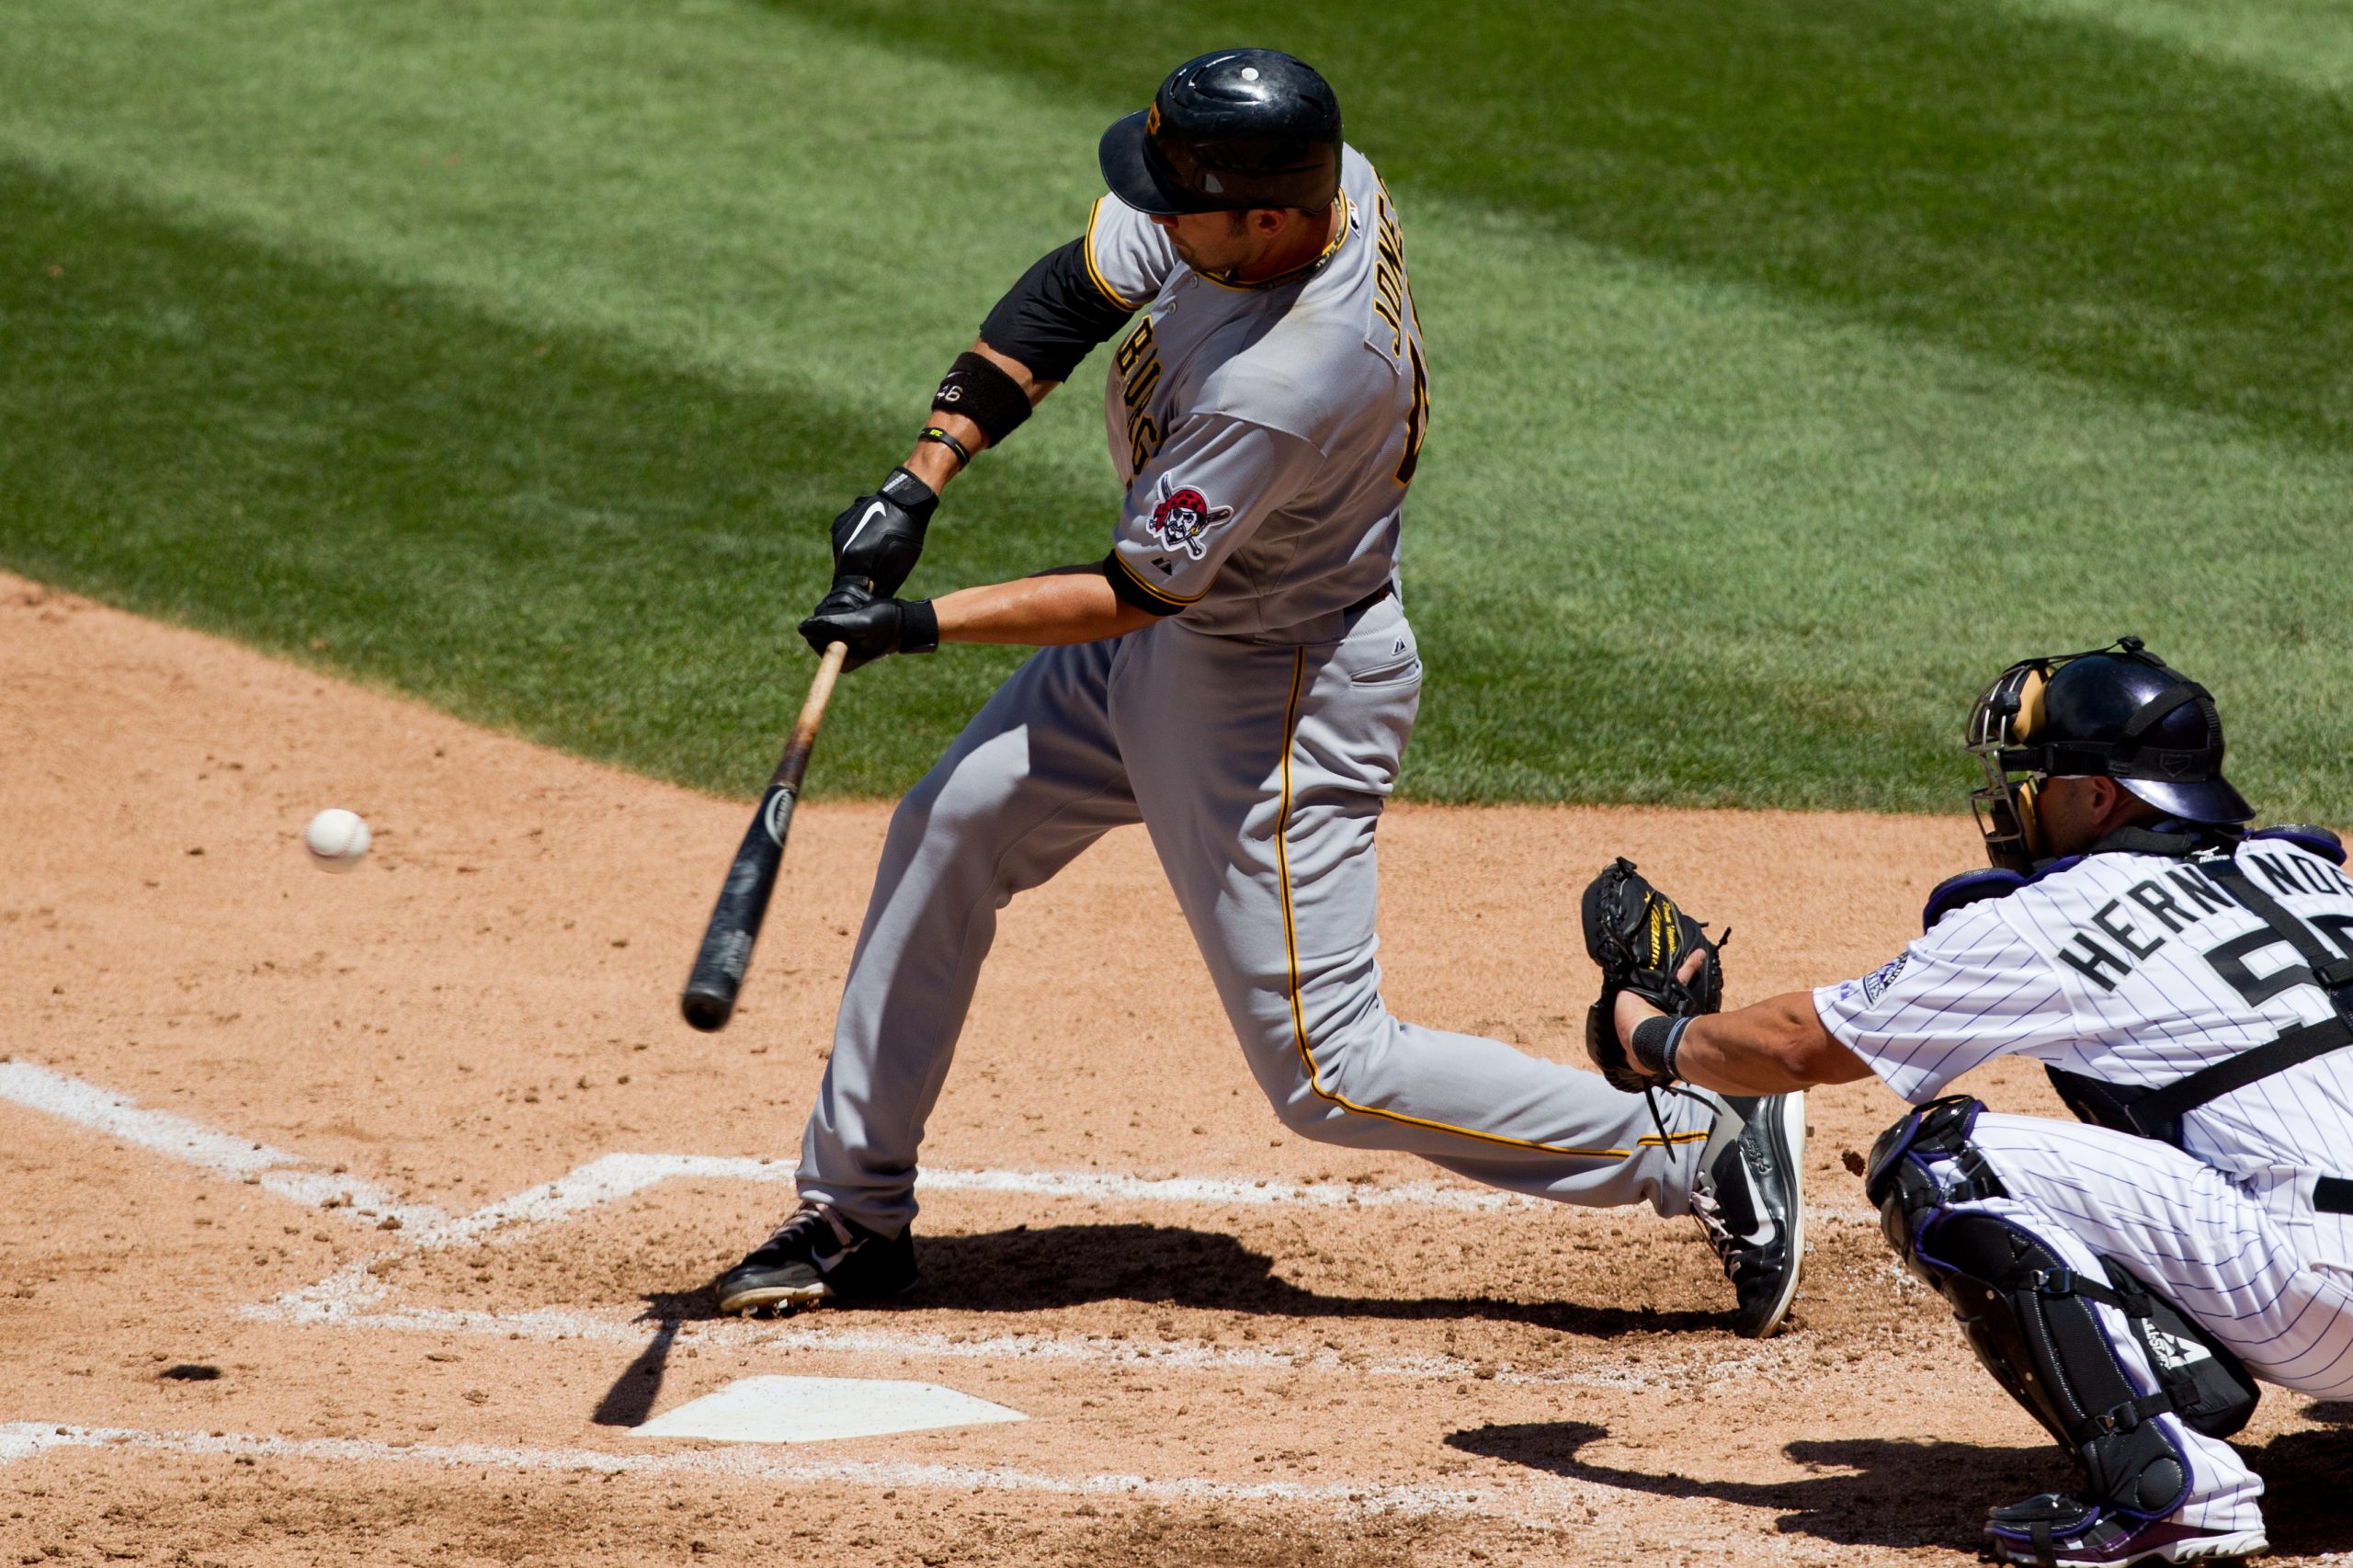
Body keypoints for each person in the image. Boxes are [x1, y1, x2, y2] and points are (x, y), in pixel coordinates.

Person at [710, 48, 1804, 1337]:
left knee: (1329, 1072)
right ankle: (853, 1211)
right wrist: (922, 474)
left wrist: (914, 622)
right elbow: (1075, 288)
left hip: (1269, 687)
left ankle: (1699, 1138)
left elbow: (1132, 591)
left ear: (1270, 219)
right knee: (953, 825)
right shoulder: (1286, 190)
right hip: (1180, 637)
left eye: (1184, 205)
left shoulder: (1292, 377)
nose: (1159, 221)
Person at [1608, 636, 2353, 1566]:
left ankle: (2171, 1490)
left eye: (2035, 774)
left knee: (1941, 1159)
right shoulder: (2318, 875)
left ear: (2098, 793)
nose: (2015, 796)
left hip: (2326, 1300)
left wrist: (1650, 1034)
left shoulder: (2054, 913)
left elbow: (1803, 1040)